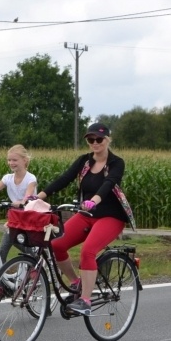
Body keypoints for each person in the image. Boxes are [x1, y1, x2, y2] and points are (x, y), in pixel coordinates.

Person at [33, 123, 132, 316]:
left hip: (110, 216)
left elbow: (110, 183)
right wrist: (39, 197)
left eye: (99, 139)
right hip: (87, 215)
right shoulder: (84, 162)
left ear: (108, 139)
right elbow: (65, 178)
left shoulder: (116, 163)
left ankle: (85, 301)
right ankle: (76, 282)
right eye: (91, 140)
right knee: (57, 244)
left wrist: (93, 200)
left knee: (88, 251)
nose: (95, 143)